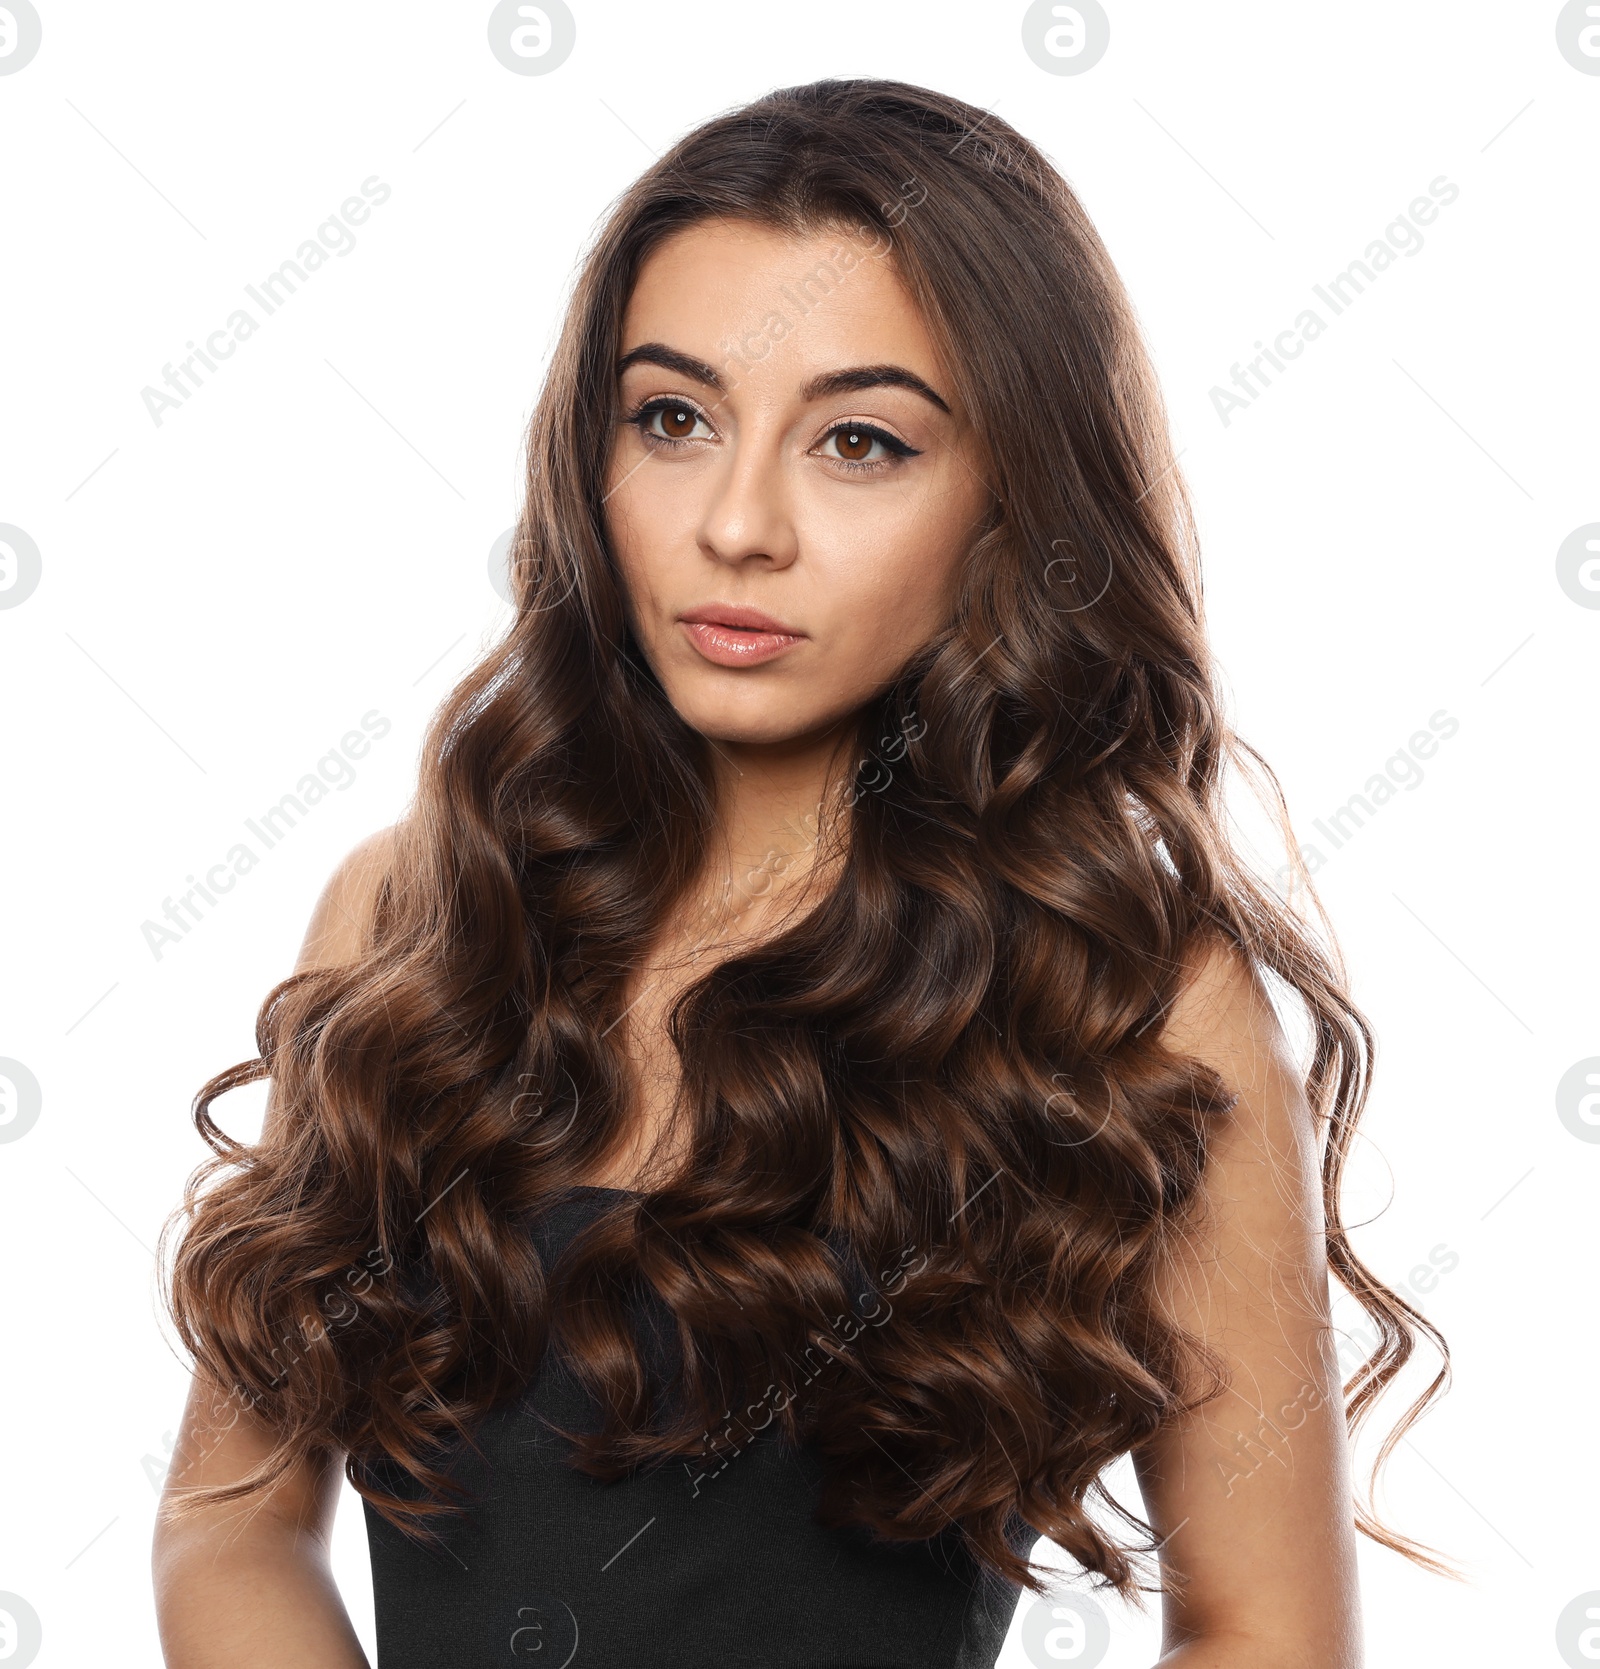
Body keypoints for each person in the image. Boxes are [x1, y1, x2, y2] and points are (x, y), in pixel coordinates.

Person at [151, 78, 1447, 1669]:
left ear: (1009, 502)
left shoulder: (1133, 999)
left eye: (859, 442)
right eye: (674, 419)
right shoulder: (417, 913)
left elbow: (1266, 1633)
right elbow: (231, 1518)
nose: (738, 524)